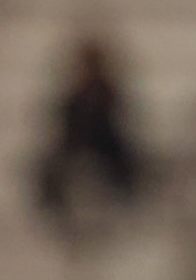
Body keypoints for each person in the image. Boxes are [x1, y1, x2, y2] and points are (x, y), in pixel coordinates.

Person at [34, 33, 149, 239]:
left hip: (107, 148)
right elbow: (64, 130)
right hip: (75, 147)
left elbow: (120, 128)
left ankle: (126, 209)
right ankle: (56, 214)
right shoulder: (71, 98)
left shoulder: (110, 94)